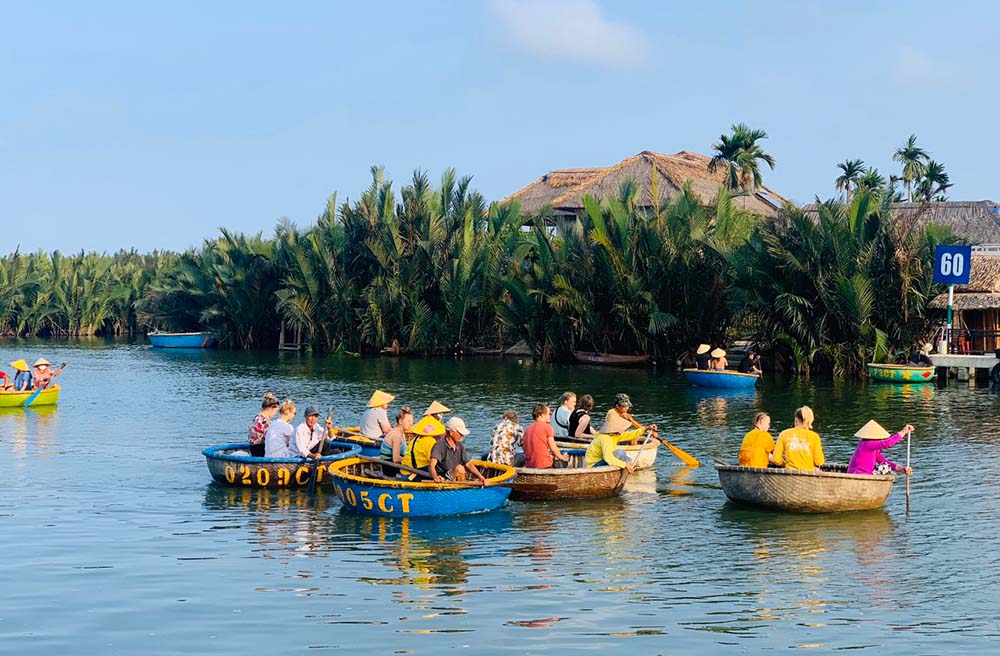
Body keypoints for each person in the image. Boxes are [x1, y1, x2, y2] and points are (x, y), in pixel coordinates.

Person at [429, 417, 489, 485]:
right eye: (460, 434)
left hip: (455, 475)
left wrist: (481, 477)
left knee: (461, 469)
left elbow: (468, 464)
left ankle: (460, 489)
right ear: (451, 432)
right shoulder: (439, 445)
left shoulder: (459, 445)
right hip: (444, 478)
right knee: (460, 469)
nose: (462, 436)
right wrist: (435, 477)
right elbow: (432, 465)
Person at [847, 420, 914, 476]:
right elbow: (886, 443)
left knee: (886, 467)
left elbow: (884, 462)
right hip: (858, 474)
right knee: (885, 469)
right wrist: (903, 432)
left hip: (865, 474)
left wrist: (902, 469)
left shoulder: (873, 450)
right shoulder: (866, 444)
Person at [773, 406, 825, 471]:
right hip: (808, 474)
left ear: (796, 419)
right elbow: (819, 461)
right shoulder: (814, 437)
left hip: (789, 473)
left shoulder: (784, 434)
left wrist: (784, 464)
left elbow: (776, 459)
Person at [522, 404, 570, 469]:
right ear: (542, 415)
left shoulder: (527, 429)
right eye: (548, 414)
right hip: (544, 465)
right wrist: (563, 458)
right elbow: (554, 449)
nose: (550, 416)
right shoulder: (547, 427)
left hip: (530, 465)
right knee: (564, 461)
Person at [247, 393, 280, 457]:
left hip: (253, 448)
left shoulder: (257, 417)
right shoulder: (265, 421)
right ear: (271, 408)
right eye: (276, 410)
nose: (276, 413)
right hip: (260, 449)